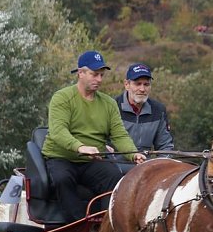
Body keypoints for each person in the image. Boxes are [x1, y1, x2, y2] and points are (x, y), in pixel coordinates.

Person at [41, 50, 146, 222]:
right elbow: (58, 131)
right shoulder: (62, 98)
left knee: (115, 178)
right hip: (61, 158)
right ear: (80, 73)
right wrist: (80, 147)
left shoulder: (108, 103)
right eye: (94, 74)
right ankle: (78, 225)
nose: (99, 79)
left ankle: (106, 224)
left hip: (92, 161)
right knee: (62, 179)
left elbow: (119, 135)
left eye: (101, 75)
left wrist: (133, 154)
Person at [114, 63, 174, 153]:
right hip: (114, 161)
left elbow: (165, 146)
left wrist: (162, 161)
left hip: (146, 162)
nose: (142, 89)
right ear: (126, 84)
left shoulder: (158, 110)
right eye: (138, 84)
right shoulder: (112, 106)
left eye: (146, 84)